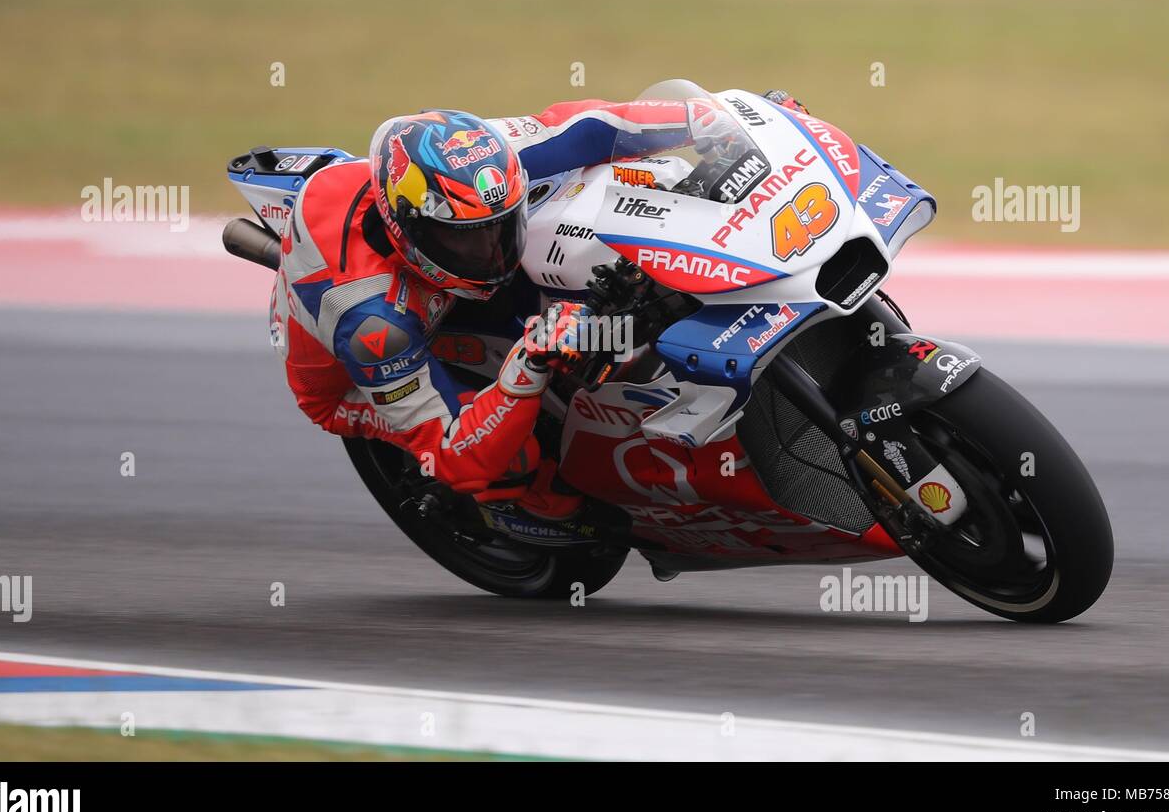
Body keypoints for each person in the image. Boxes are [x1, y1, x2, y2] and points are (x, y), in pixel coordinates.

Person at [270, 91, 801, 523]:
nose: (492, 252)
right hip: (352, 382)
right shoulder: (371, 322)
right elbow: (456, 456)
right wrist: (527, 364)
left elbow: (588, 127)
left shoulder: (476, 164)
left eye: (500, 228)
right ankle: (535, 506)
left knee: (595, 227)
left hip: (441, 290)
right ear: (407, 229)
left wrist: (707, 119)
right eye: (466, 241)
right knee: (512, 463)